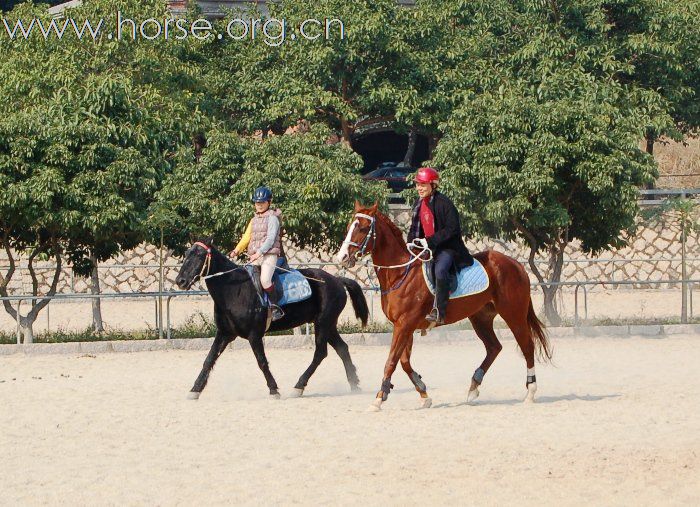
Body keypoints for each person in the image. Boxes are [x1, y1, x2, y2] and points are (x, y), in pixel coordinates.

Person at [407, 167, 473, 325]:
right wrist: (411, 243)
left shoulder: (444, 203)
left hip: (448, 248)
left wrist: (429, 241)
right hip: (428, 248)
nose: (419, 188)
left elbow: (452, 229)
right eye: (417, 185)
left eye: (423, 185)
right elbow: (415, 228)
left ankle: (439, 311)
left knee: (440, 270)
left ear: (433, 185)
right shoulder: (418, 203)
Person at [230, 186, 284, 321]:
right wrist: (237, 250)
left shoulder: (273, 218)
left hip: (269, 255)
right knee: (247, 280)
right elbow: (246, 237)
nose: (259, 205)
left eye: (262, 203)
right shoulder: (253, 220)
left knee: (265, 280)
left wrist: (259, 252)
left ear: (269, 202)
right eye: (257, 203)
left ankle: (275, 307)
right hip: (255, 255)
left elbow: (271, 239)